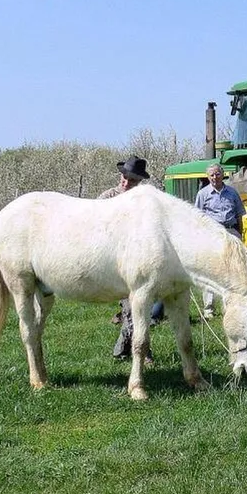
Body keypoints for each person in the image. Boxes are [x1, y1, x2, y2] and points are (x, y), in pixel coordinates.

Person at [98, 155, 165, 361]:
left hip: (138, 260)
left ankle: (125, 350)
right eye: (124, 178)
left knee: (137, 306)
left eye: (132, 180)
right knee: (132, 307)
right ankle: (136, 351)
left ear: (139, 183)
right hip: (113, 261)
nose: (126, 182)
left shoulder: (144, 204)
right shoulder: (108, 198)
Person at [194, 163, 246, 319]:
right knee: (210, 270)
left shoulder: (232, 193)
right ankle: (208, 308)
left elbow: (239, 215)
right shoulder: (203, 194)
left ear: (222, 175)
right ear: (208, 177)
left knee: (234, 269)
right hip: (213, 234)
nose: (214, 177)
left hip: (231, 231)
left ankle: (231, 305)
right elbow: (198, 218)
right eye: (211, 175)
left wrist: (240, 234)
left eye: (217, 174)